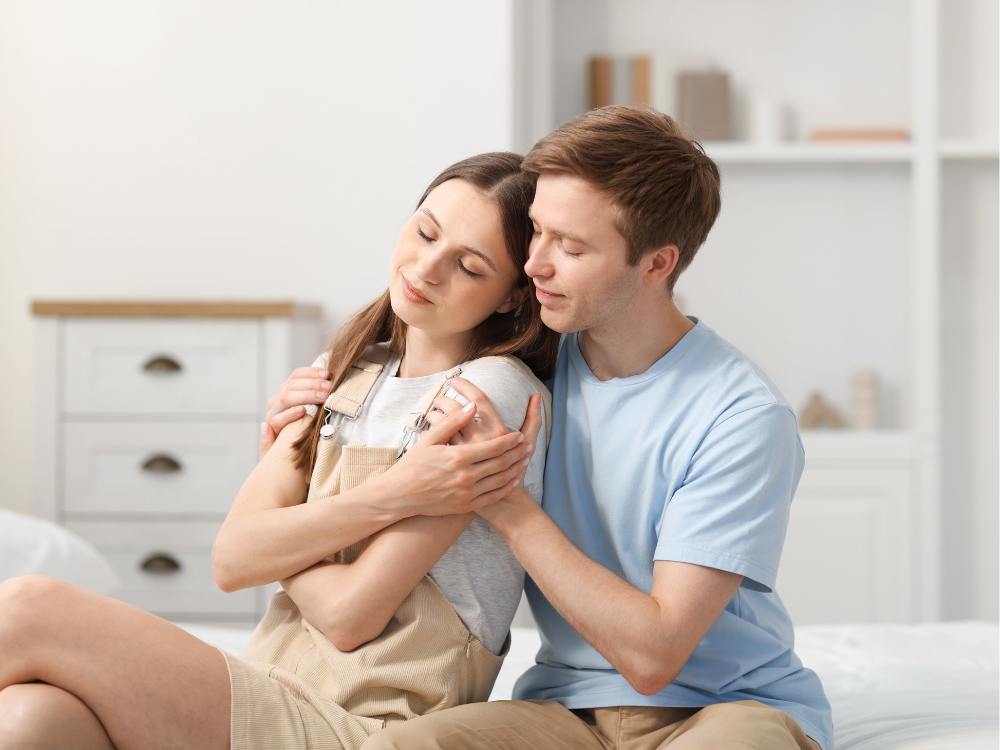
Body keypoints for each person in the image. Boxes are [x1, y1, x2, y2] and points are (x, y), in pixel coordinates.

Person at [266, 106, 834, 750]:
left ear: (656, 264)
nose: (534, 264)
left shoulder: (739, 418)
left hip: (727, 707)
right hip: (565, 713)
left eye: (571, 246)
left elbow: (653, 659)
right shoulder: (524, 367)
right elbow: (395, 391)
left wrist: (509, 509)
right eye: (536, 231)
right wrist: (307, 418)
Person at [0, 152, 560, 749]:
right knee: (32, 719)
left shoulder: (488, 396)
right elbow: (232, 560)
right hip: (271, 681)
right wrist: (395, 492)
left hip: (370, 725)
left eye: (469, 267)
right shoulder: (343, 370)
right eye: (424, 231)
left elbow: (348, 618)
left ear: (512, 297)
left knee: (28, 606)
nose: (426, 267)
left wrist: (279, 539)